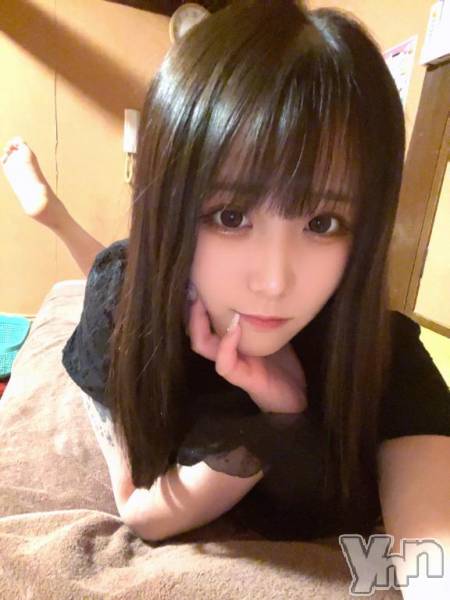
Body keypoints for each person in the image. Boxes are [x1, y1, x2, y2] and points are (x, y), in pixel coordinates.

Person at [2, 0, 449, 553]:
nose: (274, 283)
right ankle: (54, 216)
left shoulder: (385, 356)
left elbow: (434, 556)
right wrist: (267, 433)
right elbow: (141, 510)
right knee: (111, 268)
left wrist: (285, 411)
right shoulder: (121, 306)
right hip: (140, 277)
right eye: (231, 216)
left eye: (322, 222)